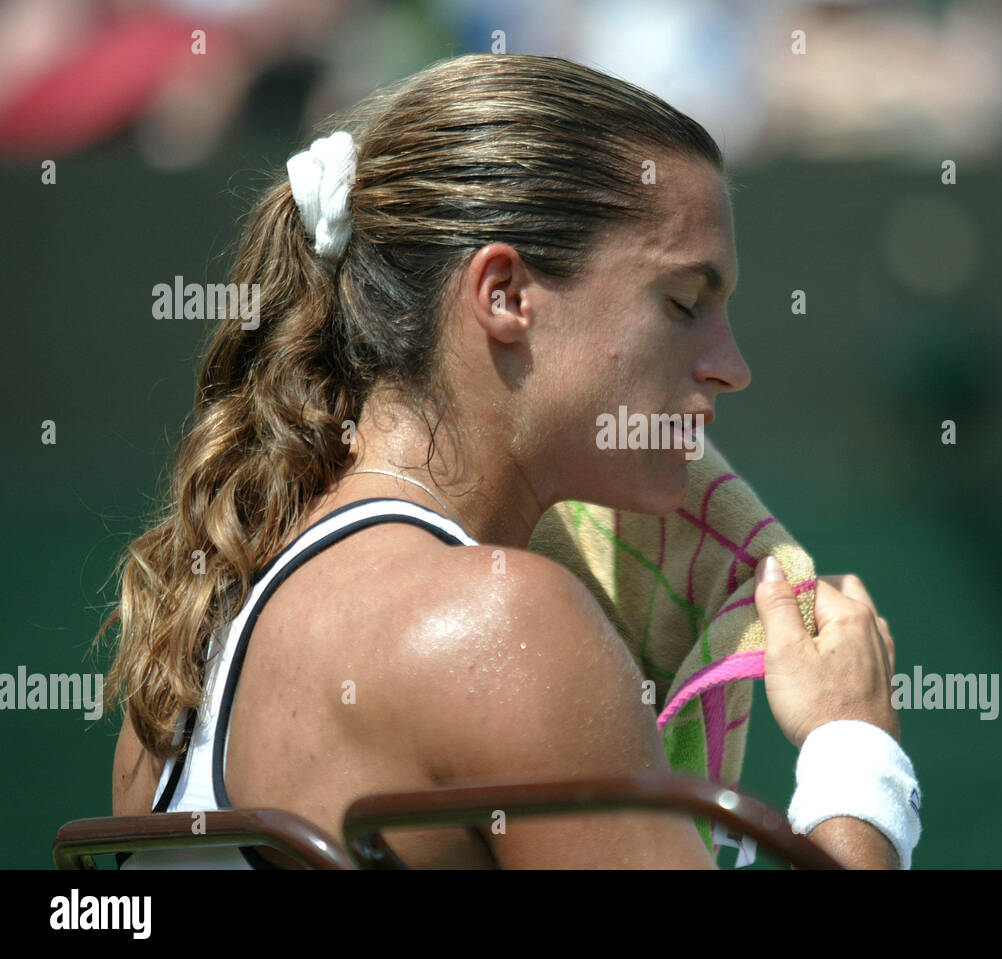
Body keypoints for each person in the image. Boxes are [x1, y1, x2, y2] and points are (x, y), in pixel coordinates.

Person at [99, 53, 920, 869]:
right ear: (505, 296)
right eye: (682, 303)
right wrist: (854, 748)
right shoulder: (506, 623)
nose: (731, 365)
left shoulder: (185, 644)